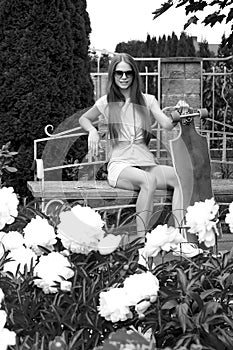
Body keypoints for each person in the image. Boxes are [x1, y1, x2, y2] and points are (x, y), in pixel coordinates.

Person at [79, 53, 202, 257]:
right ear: (113, 74)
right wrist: (92, 130)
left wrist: (182, 113)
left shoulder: (148, 100)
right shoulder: (106, 102)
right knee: (148, 180)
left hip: (144, 161)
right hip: (120, 166)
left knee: (180, 177)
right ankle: (141, 245)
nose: (124, 77)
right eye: (119, 73)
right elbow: (84, 118)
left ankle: (181, 240)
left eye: (128, 73)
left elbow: (166, 124)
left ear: (135, 75)